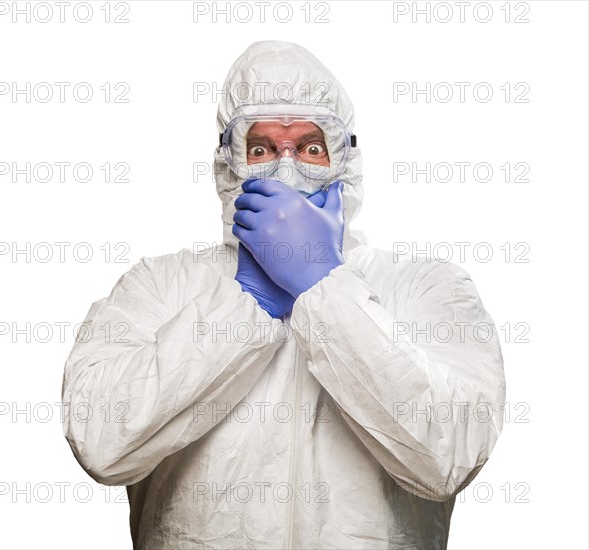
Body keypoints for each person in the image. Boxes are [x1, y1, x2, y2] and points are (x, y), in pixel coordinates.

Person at [61, 40, 506, 549]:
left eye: (311, 148)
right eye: (262, 148)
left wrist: (323, 290)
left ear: (345, 162)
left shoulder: (426, 288)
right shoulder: (159, 287)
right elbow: (100, 443)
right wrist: (246, 305)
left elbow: (448, 458)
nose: (286, 170)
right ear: (229, 166)